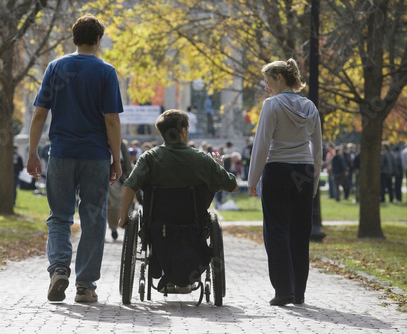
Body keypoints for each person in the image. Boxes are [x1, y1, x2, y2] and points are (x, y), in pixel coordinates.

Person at [26, 14, 123, 304]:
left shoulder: (56, 67)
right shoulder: (106, 71)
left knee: (59, 216)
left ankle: (58, 268)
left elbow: (40, 112)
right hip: (95, 155)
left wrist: (32, 152)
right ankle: (85, 286)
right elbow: (112, 120)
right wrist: (116, 160)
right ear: (97, 40)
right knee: (94, 217)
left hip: (62, 153)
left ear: (74, 38)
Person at [118, 109, 238, 289]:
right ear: (183, 131)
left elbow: (128, 187)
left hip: (157, 226)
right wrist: (219, 168)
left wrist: (123, 217)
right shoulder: (202, 160)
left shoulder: (149, 158)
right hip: (193, 225)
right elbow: (233, 186)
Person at [247, 59, 322, 306]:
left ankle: (283, 290)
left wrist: (252, 179)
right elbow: (317, 147)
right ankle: (299, 291)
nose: (266, 87)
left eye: (268, 81)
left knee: (276, 230)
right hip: (304, 170)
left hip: (277, 169)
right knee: (300, 232)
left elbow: (262, 144)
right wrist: (314, 181)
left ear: (279, 77)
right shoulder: (310, 106)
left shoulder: (272, 105)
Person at [107, 140, 133, 240]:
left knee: (114, 204)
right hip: (99, 168)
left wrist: (129, 175)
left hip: (115, 175)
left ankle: (113, 228)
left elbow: (126, 160)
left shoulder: (120, 143)